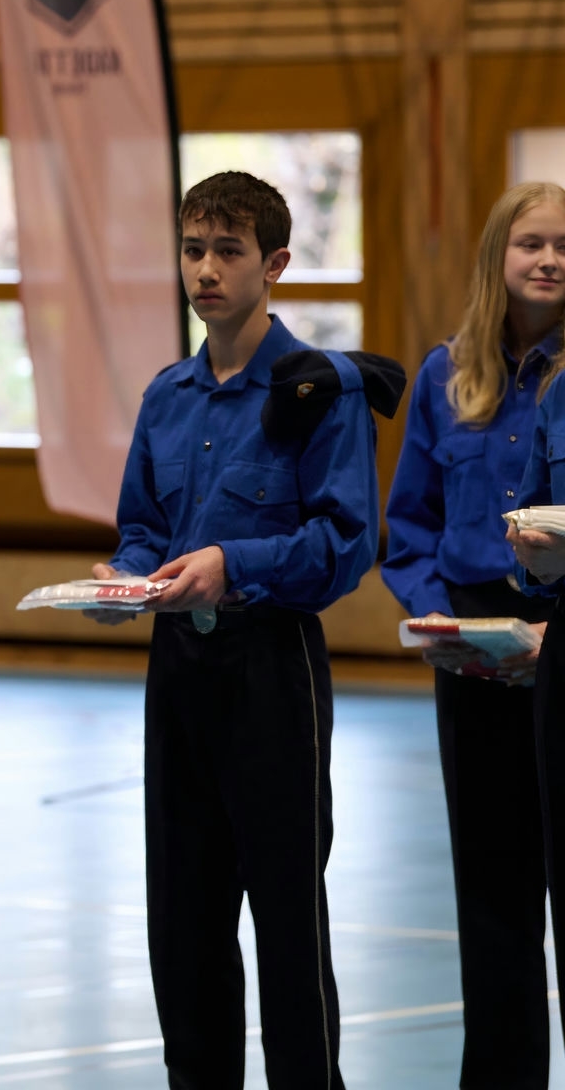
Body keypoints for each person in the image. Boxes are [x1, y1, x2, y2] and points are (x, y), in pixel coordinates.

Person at [88, 172, 390, 1090]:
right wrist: (125, 576)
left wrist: (234, 563)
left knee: (288, 924)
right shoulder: (167, 395)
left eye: (228, 251)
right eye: (193, 250)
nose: (206, 270)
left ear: (276, 264)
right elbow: (143, 525)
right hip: (178, 666)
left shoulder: (321, 391)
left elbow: (346, 544)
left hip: (271, 667)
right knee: (183, 922)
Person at [386, 181, 565, 1089]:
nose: (550, 260)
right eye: (532, 243)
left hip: (562, 639)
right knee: (491, 893)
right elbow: (409, 525)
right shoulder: (443, 375)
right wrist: (436, 618)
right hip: (470, 645)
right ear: (498, 255)